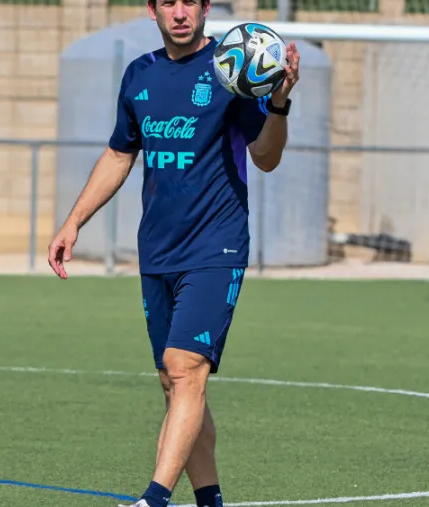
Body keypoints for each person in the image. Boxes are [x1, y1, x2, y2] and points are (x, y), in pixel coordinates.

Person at [47, 0, 299, 504]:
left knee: (185, 368)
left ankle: (154, 498)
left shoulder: (232, 69)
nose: (179, 12)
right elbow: (120, 153)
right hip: (157, 250)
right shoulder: (140, 74)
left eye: (190, 1)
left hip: (215, 246)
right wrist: (74, 221)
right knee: (173, 381)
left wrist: (279, 103)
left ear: (206, 8)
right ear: (153, 10)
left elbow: (266, 158)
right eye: (168, 2)